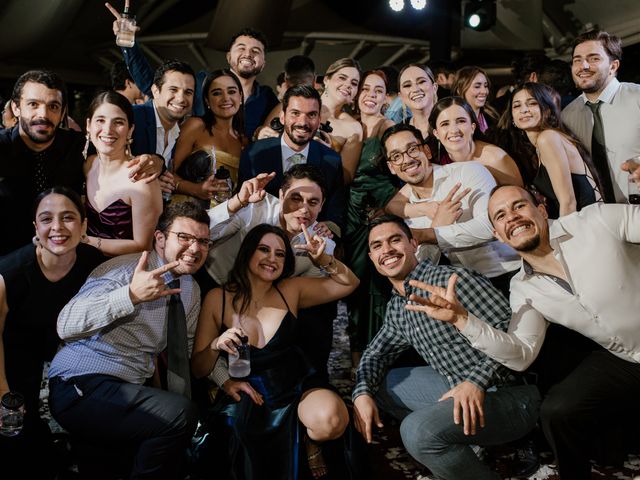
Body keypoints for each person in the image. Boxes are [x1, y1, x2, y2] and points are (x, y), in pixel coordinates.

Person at [410, 184, 640, 479]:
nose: (512, 218)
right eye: (501, 216)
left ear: (542, 210)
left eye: (519, 206)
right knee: (556, 412)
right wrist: (463, 319)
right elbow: (520, 355)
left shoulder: (596, 221)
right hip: (623, 356)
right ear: (497, 234)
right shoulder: (522, 288)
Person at [352, 215, 540, 480]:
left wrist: (476, 381)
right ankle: (465, 446)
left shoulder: (452, 279)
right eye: (378, 245)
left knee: (417, 432)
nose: (387, 250)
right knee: (379, 385)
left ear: (413, 244)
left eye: (395, 240)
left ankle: (457, 445)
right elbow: (375, 354)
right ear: (372, 257)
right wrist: (361, 394)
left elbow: (512, 336)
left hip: (511, 394)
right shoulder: (398, 305)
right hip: (457, 385)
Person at [48, 202, 211, 479]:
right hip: (80, 383)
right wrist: (131, 295)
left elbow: (186, 350)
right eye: (184, 237)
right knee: (180, 415)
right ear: (160, 238)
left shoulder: (191, 290)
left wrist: (224, 374)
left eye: (203, 241)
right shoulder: (124, 270)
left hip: (128, 393)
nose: (195, 249)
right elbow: (65, 325)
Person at [191, 223, 359, 479]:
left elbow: (349, 284)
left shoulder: (291, 289)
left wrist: (323, 259)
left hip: (297, 383)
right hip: (248, 388)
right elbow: (198, 368)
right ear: (248, 252)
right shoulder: (218, 298)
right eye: (264, 250)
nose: (272, 258)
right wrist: (216, 345)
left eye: (280, 254)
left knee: (331, 420)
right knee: (232, 433)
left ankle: (309, 441)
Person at [0, 187, 104, 478]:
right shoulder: (9, 274)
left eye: (68, 218)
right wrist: (3, 395)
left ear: (83, 226)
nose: (57, 228)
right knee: (15, 436)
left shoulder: (93, 263)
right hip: (12, 357)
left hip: (62, 355)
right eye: (46, 219)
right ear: (35, 227)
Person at [0, 69, 161, 256]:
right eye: (33, 104)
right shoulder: (2, 147)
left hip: (69, 258)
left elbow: (112, 148)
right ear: (16, 108)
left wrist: (157, 161)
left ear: (62, 113)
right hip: (8, 256)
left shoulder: (78, 147)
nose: (43, 114)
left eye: (53, 106)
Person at [207, 165, 339, 377]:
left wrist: (325, 261)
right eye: (296, 198)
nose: (304, 209)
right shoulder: (255, 206)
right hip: (214, 281)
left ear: (322, 205)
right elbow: (203, 233)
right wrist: (236, 203)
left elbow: (317, 290)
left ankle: (311, 382)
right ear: (280, 194)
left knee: (317, 315)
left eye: (313, 202)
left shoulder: (321, 242)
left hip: (264, 298)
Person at [382, 123, 520, 295]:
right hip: (462, 290)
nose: (407, 159)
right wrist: (438, 226)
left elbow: (491, 227)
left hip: (508, 275)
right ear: (391, 168)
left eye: (412, 149)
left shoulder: (467, 172)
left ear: (427, 151)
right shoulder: (404, 213)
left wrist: (428, 234)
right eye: (396, 156)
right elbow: (422, 267)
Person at [108, 2, 278, 140]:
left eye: (256, 51)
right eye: (241, 48)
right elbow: (148, 84)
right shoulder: (204, 81)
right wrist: (127, 43)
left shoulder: (267, 98)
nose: (248, 53)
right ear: (228, 57)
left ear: (263, 63)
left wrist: (261, 132)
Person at [238, 85, 345, 235]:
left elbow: (335, 210)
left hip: (308, 243)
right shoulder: (254, 153)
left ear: (319, 119)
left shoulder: (331, 160)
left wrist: (329, 226)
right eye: (295, 113)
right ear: (282, 117)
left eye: (311, 115)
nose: (303, 122)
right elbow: (241, 203)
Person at [346, 70, 399, 351]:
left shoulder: (386, 126)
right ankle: (356, 357)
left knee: (375, 290)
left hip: (376, 214)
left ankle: (377, 355)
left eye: (378, 90)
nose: (371, 95)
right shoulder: (348, 125)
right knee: (353, 293)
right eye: (366, 89)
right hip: (349, 215)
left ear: (385, 98)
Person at [497, 82, 600, 218]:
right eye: (517, 106)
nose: (524, 110)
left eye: (532, 103)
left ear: (546, 109)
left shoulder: (548, 138)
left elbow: (568, 202)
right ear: (513, 119)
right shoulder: (544, 142)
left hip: (589, 224)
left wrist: (565, 236)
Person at [561, 29, 640, 203]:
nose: (584, 66)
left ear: (613, 66)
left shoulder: (637, 97)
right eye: (577, 60)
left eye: (594, 58)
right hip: (600, 217)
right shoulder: (567, 116)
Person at [83, 91, 162, 256]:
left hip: (125, 272)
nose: (108, 130)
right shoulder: (88, 165)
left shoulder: (141, 179)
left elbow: (143, 246)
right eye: (100, 121)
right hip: (83, 264)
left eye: (118, 122)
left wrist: (84, 241)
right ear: (88, 125)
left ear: (130, 130)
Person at [172, 69, 246, 202]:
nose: (226, 98)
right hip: (185, 211)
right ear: (207, 100)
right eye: (217, 93)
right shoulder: (195, 126)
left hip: (226, 217)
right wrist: (196, 189)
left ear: (240, 97)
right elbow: (168, 173)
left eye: (232, 91)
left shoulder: (244, 140)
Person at [429, 97, 523, 186]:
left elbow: (520, 197)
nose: (454, 130)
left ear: (472, 127)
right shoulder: (434, 163)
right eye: (445, 124)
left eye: (461, 121)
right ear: (436, 133)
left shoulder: (496, 159)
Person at [320, 58, 364, 184]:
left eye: (354, 83)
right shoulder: (295, 103)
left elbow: (346, 178)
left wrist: (328, 156)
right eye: (342, 78)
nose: (348, 85)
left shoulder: (353, 128)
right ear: (326, 80)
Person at [398, 63, 438, 144]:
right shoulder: (398, 132)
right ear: (401, 96)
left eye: (421, 81)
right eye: (407, 85)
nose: (415, 89)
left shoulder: (450, 123)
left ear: (434, 87)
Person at [451, 66, 499, 133]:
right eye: (477, 86)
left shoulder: (493, 116)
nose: (484, 91)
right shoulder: (452, 119)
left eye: (485, 86)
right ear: (459, 90)